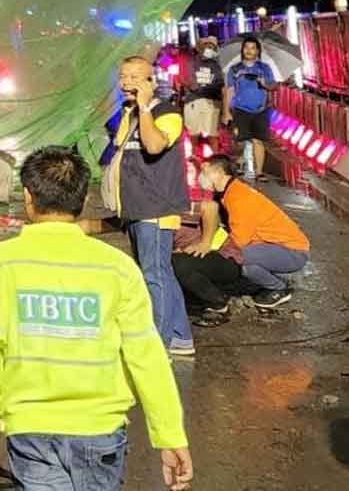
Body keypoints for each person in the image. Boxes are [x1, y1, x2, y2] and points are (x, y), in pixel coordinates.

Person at [0, 146, 194, 491]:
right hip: (99, 428)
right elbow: (145, 355)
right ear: (84, 199)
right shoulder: (116, 266)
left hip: (31, 426)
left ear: (28, 197)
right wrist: (169, 434)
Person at [106, 56, 193, 356]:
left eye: (135, 77)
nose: (127, 82)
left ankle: (158, 345)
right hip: (136, 206)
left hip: (156, 210)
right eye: (123, 76)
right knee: (161, 273)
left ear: (150, 82)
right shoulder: (127, 113)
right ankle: (181, 337)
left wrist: (144, 107)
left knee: (154, 276)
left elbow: (154, 146)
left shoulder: (167, 113)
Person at [197, 155, 309, 307]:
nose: (201, 175)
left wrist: (207, 248)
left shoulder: (238, 197)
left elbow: (238, 241)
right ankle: (275, 285)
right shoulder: (232, 192)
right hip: (279, 248)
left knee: (235, 255)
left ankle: (279, 289)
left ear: (219, 172)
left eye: (205, 170)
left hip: (293, 252)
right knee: (247, 268)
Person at [170, 222, 256, 324]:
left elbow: (210, 208)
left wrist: (205, 243)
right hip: (196, 257)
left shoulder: (184, 209)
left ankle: (218, 304)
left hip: (223, 257)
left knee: (177, 263)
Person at [224, 35, 281, 181]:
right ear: (242, 50)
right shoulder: (235, 69)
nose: (249, 51)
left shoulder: (264, 68)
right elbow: (229, 90)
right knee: (239, 140)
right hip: (240, 109)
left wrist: (264, 84)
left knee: (258, 140)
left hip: (260, 109)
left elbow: (274, 86)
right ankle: (239, 162)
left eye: (253, 48)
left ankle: (259, 172)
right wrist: (226, 112)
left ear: (257, 51)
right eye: (246, 47)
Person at [183, 37, 224, 148]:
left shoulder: (218, 64)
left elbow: (221, 82)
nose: (208, 47)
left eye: (211, 45)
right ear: (199, 47)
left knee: (212, 133)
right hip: (194, 101)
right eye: (205, 45)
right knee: (194, 133)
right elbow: (189, 81)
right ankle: (194, 154)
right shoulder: (192, 61)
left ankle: (216, 159)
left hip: (213, 101)